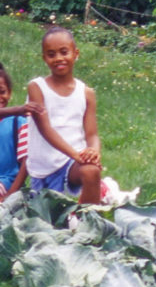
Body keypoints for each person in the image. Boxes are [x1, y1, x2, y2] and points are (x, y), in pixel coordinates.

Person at [25, 27, 102, 204]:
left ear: (76, 54)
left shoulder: (86, 92)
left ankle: (87, 223)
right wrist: (76, 155)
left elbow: (92, 134)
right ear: (44, 58)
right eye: (51, 54)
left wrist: (93, 152)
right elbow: (45, 129)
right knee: (48, 222)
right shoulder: (36, 87)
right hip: (44, 166)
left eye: (64, 52)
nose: (59, 58)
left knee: (91, 171)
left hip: (72, 164)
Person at [0, 63, 35, 203]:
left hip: (8, 185)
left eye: (2, 91)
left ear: (10, 92)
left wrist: (10, 195)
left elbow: (26, 163)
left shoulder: (18, 123)